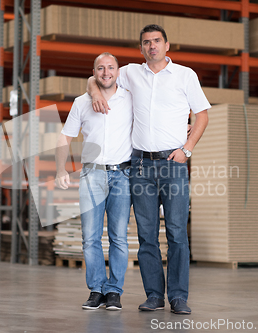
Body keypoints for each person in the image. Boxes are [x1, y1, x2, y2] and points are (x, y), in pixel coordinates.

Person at [87, 24, 210, 315]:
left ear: (167, 45)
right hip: (140, 165)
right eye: (146, 42)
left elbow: (202, 115)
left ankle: (178, 296)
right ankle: (154, 295)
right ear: (140, 48)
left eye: (156, 41)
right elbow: (97, 76)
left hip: (173, 164)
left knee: (178, 233)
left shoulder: (185, 75)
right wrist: (94, 91)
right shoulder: (130, 73)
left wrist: (188, 149)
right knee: (147, 235)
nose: (152, 46)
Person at [55, 52, 133, 311]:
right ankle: (96, 289)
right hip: (92, 174)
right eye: (100, 68)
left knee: (119, 237)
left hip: (123, 174)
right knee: (90, 236)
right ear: (94, 72)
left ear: (118, 71)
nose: (106, 72)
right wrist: (60, 169)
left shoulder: (130, 99)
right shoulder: (81, 102)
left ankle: (115, 291)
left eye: (111, 68)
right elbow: (65, 136)